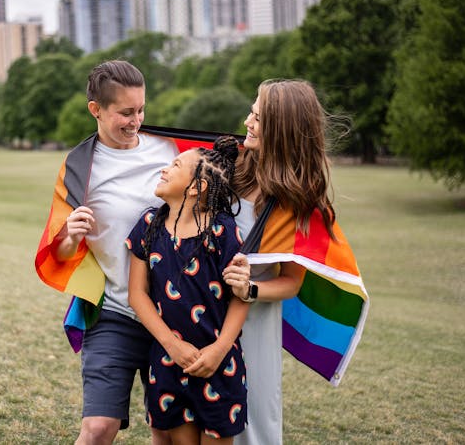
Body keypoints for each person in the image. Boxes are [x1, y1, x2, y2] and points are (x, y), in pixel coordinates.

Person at [48, 60, 179, 444]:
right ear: (96, 110)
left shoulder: (169, 149)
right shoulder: (79, 166)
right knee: (98, 428)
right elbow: (58, 250)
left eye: (140, 109)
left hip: (173, 312)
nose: (136, 120)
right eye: (125, 112)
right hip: (115, 314)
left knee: (168, 431)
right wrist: (71, 236)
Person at [221, 79, 340, 445]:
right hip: (205, 313)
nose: (246, 122)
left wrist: (251, 288)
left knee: (252, 423)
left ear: (281, 128)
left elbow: (292, 281)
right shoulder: (232, 163)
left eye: (257, 118)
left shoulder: (300, 201)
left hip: (254, 325)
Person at [127, 136, 250, 444]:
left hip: (218, 365)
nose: (166, 169)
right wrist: (172, 345)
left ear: (196, 187)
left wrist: (219, 350)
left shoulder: (223, 231)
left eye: (176, 164)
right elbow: (137, 295)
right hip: (169, 363)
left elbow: (240, 298)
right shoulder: (148, 225)